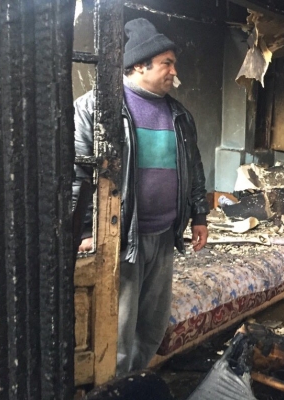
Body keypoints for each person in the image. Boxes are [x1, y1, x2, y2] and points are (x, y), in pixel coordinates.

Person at [72, 18, 209, 376]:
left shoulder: (179, 114)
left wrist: (199, 216)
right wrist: (85, 230)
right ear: (138, 65)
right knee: (117, 332)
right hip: (120, 238)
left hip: (164, 236)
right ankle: (112, 391)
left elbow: (194, 168)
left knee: (150, 328)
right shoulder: (95, 109)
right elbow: (77, 174)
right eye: (167, 63)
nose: (174, 71)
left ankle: (134, 383)